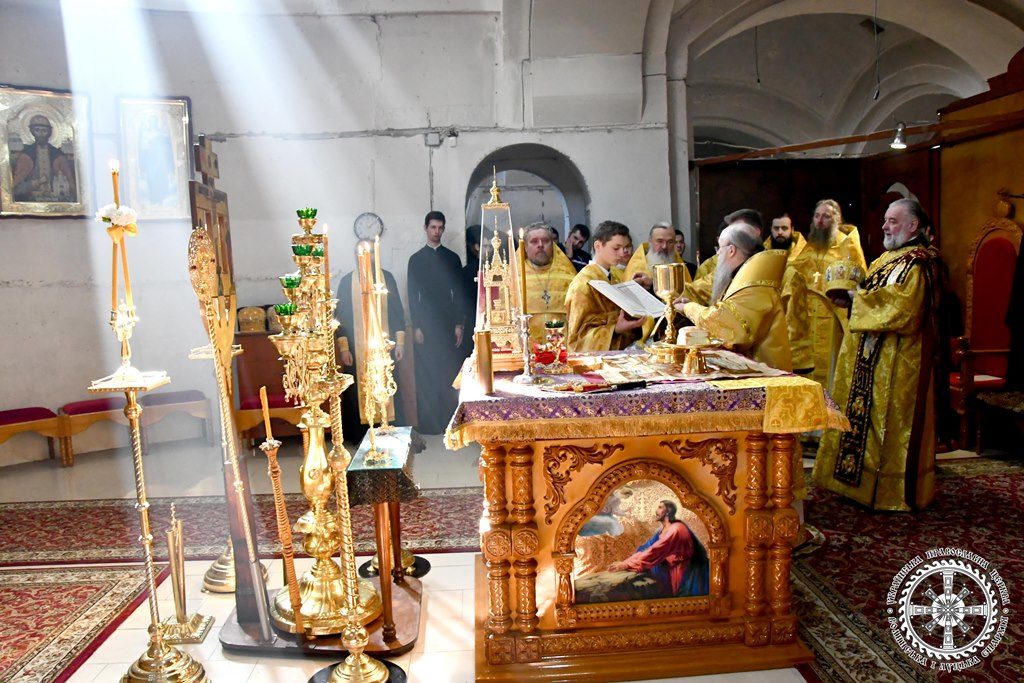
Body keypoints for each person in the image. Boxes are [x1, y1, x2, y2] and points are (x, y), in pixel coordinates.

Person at [813, 199, 943, 511]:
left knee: (890, 427)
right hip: (871, 356)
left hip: (900, 362)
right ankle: (856, 487)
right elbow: (870, 293)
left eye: (892, 221)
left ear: (913, 225)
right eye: (885, 220)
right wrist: (849, 296)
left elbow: (903, 308)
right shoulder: (887, 258)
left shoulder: (920, 262)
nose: (884, 226)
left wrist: (856, 300)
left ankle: (889, 493)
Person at [675, 223, 792, 371]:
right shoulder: (741, 275)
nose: (718, 254)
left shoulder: (756, 284)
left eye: (720, 248)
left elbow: (729, 326)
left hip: (764, 373)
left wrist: (688, 308)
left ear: (731, 250)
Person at [788, 199, 867, 387]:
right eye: (817, 216)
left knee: (831, 367)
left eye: (826, 216)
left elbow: (858, 277)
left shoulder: (847, 245)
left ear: (837, 219)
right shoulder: (810, 245)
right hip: (808, 316)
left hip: (833, 317)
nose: (820, 221)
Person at [336, 245, 407, 443]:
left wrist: (400, 343)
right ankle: (360, 434)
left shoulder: (387, 278)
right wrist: (344, 348)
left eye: (370, 253)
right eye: (361, 253)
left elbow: (397, 312)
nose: (366, 257)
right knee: (357, 389)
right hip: (356, 349)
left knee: (388, 385)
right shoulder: (347, 282)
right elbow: (340, 317)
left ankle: (388, 427)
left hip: (385, 346)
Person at [406, 210, 467, 434]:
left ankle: (450, 422)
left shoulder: (452, 258)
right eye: (433, 227)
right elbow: (412, 294)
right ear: (426, 228)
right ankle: (429, 424)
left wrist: (458, 324)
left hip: (448, 322)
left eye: (440, 228)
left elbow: (458, 293)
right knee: (427, 373)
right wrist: (417, 326)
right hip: (425, 323)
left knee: (449, 372)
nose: (437, 232)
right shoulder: (416, 259)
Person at [564, 220, 646, 351]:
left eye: (625, 247)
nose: (622, 253)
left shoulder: (616, 277)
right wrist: (615, 329)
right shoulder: (582, 284)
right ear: (598, 246)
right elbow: (578, 339)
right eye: (616, 248)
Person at [608, 500, 709, 598]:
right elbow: (645, 549)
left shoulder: (677, 529)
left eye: (660, 507)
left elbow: (654, 551)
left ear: (668, 512)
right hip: (674, 570)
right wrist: (625, 562)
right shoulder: (661, 530)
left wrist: (627, 565)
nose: (656, 511)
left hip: (689, 573)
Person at [624, 221, 692, 341]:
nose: (665, 246)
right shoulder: (637, 266)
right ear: (650, 240)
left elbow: (689, 294)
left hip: (678, 329)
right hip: (644, 333)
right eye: (660, 241)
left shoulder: (679, 265)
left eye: (670, 242)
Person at [766, 213, 812, 373]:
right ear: (771, 230)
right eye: (776, 228)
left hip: (796, 320)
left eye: (784, 228)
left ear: (792, 230)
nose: (780, 232)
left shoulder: (806, 256)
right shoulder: (761, 256)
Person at [519, 222, 576, 341]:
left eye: (545, 241)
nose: (540, 245)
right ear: (525, 247)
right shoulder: (515, 276)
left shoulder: (568, 275)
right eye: (534, 241)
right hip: (526, 345)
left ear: (553, 245)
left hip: (562, 345)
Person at [11, 114, 77, 202]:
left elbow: (70, 186)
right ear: (32, 131)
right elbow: (15, 188)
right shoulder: (26, 155)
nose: (41, 134)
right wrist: (37, 182)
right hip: (30, 201)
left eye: (44, 131)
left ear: (49, 132)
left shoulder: (58, 155)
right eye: (37, 130)